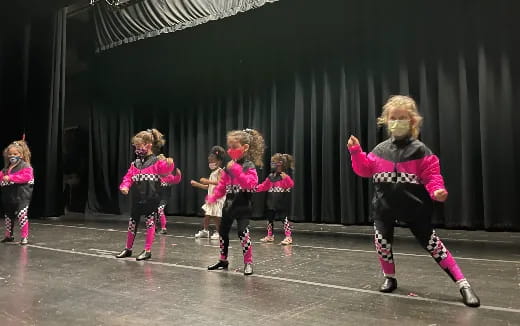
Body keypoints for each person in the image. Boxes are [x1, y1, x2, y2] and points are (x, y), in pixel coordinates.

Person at [347, 95, 480, 307]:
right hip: (384, 209)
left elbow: (432, 176)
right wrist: (355, 152)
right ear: (386, 121)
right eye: (393, 117)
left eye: (402, 117)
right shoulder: (379, 151)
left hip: (416, 210)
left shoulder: (421, 151)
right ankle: (389, 277)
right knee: (382, 243)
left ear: (412, 121)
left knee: (435, 246)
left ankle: (463, 283)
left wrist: (437, 190)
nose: (397, 121)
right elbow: (364, 169)